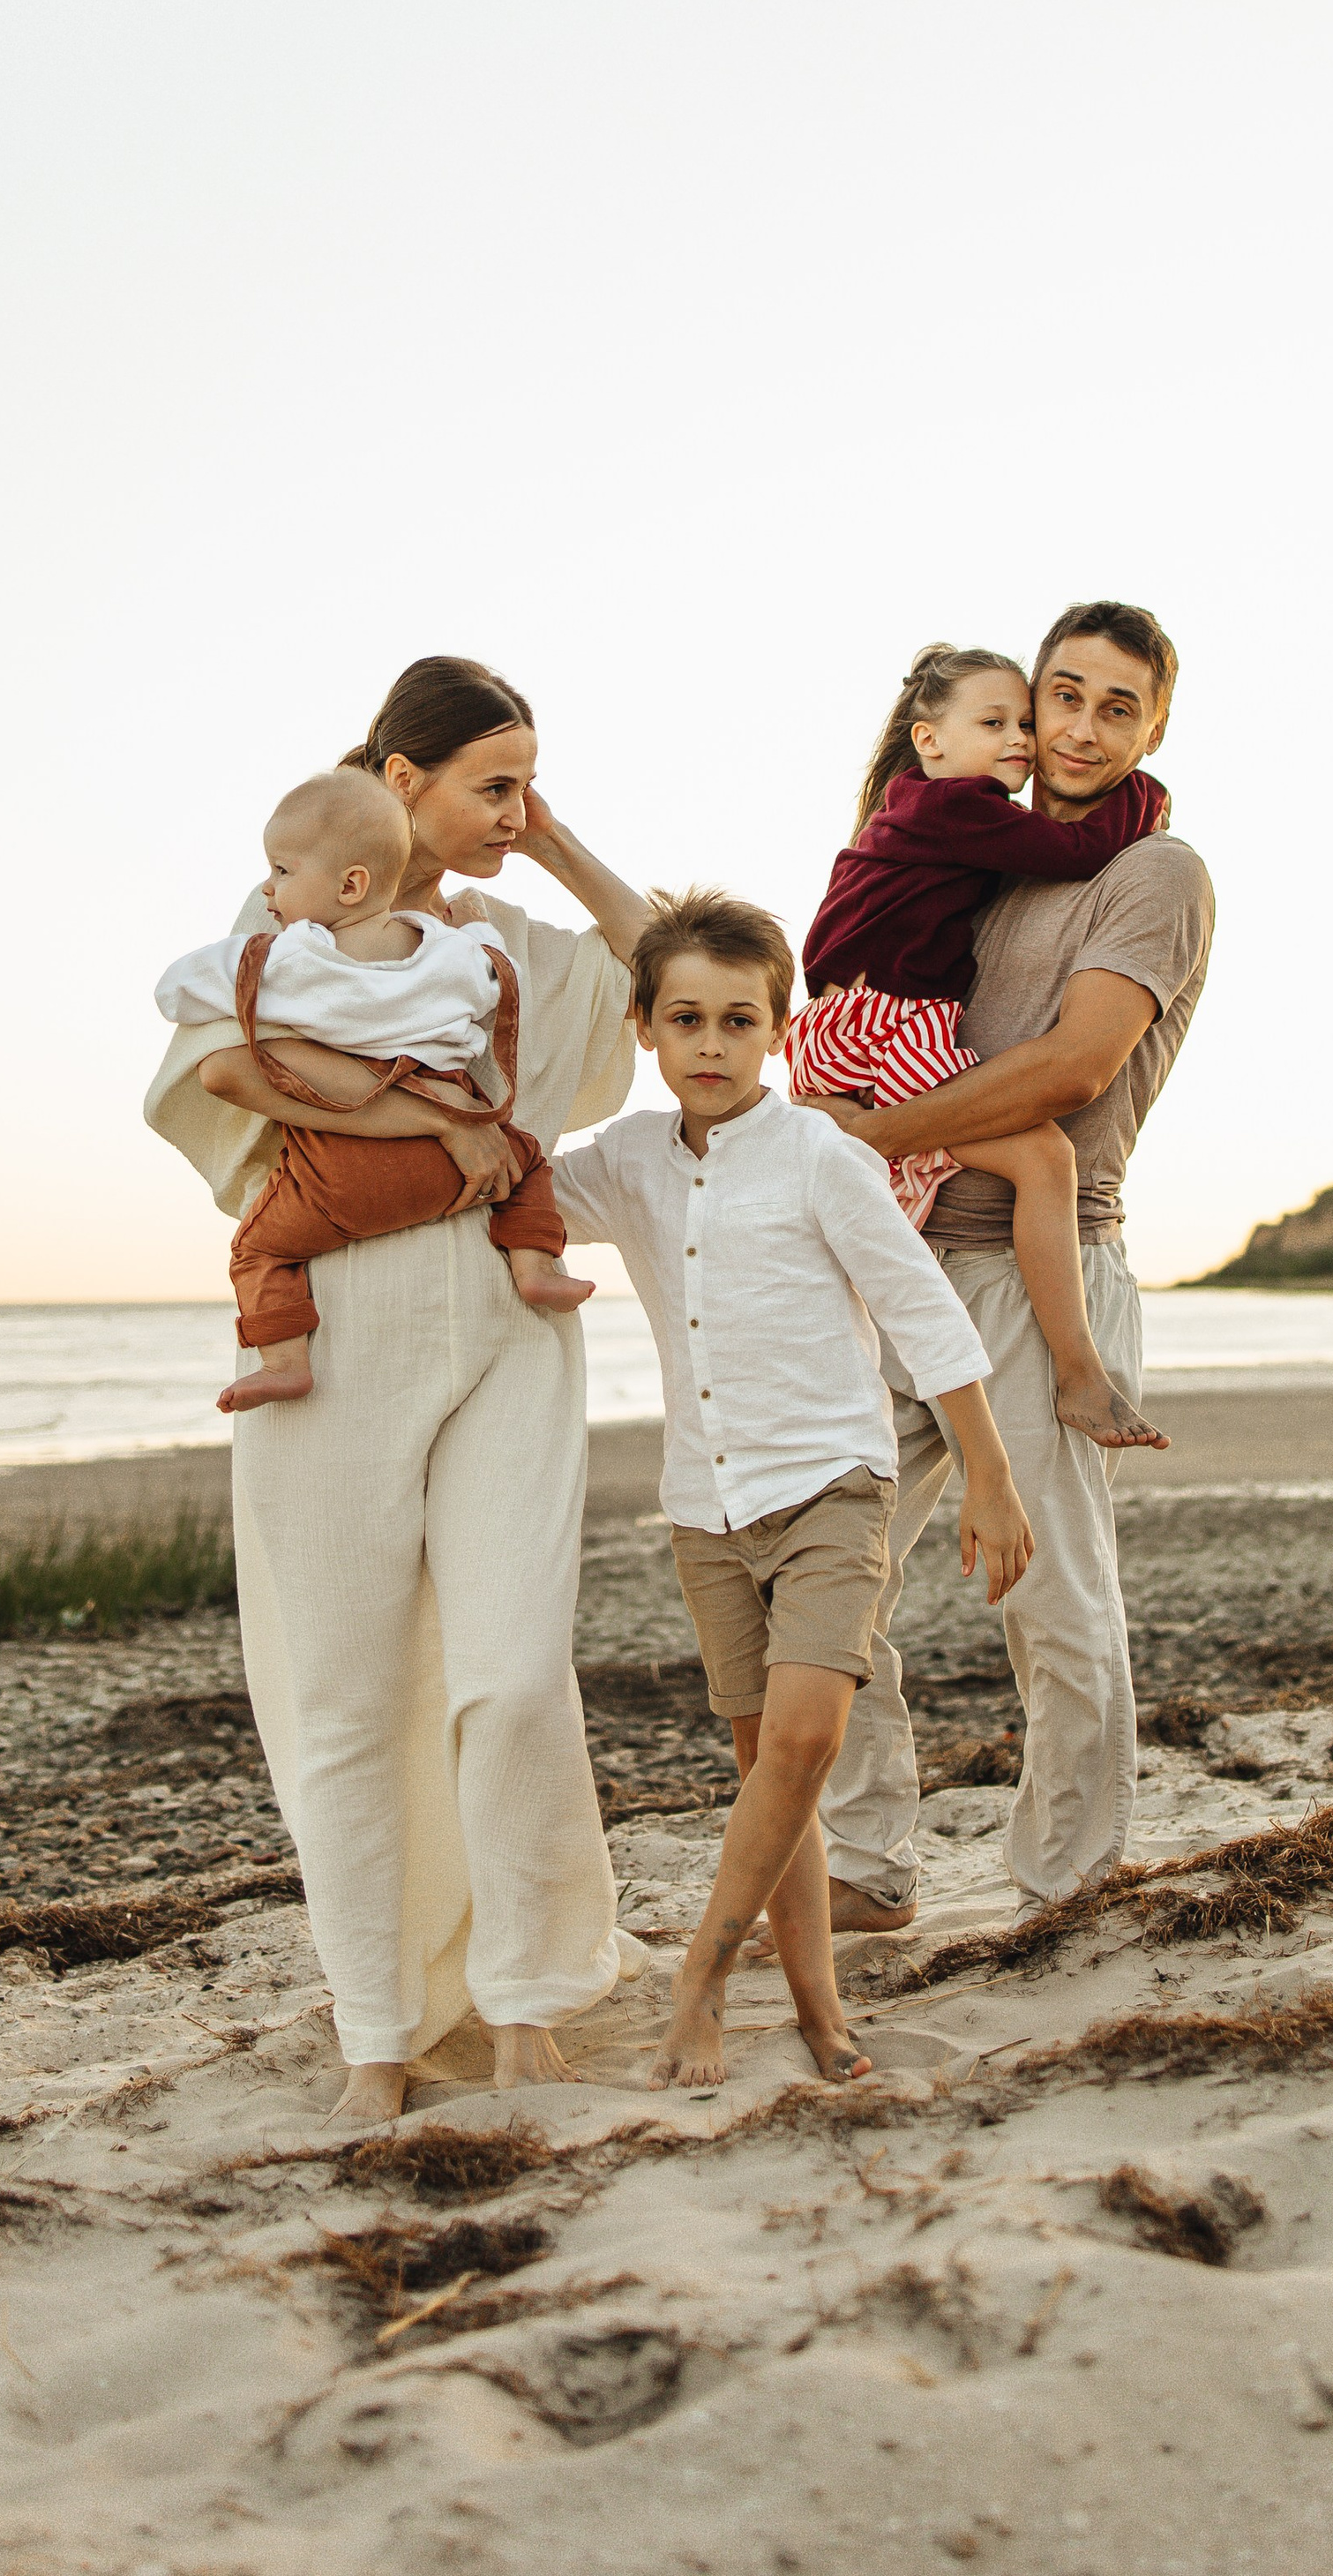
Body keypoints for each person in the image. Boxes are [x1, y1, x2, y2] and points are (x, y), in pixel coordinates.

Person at [145, 654, 647, 2114]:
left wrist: (546, 842)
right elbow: (214, 1075)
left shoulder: (509, 946)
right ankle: (376, 2029)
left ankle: (530, 1997)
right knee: (349, 1694)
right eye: (496, 784)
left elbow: (681, 969)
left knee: (510, 1674)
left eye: (530, 785)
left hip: (508, 1323)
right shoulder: (293, 913)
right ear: (401, 783)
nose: (519, 809)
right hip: (337, 1321)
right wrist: (422, 1116)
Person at [551, 890, 1030, 2089]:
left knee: (809, 1738)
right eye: (686, 1021)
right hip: (704, 1511)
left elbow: (922, 1309)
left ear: (776, 1032)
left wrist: (990, 1478)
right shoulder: (622, 1165)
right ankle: (820, 2014)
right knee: (776, 1768)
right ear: (647, 1032)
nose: (710, 1046)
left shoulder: (821, 1150)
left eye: (736, 1021)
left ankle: (704, 1977)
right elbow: (509, 1191)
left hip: (831, 1485)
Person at [799, 600, 1213, 1928]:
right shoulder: (986, 853)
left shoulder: (1152, 873)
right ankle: (865, 1869)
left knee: (1050, 1596)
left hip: (1037, 1276)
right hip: (904, 1271)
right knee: (827, 1571)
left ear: (1155, 727)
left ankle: (1065, 1883)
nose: (1081, 728)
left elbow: (1074, 1066)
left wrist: (859, 1140)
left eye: (1117, 706)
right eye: (1063, 697)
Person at [789, 641, 1169, 1448]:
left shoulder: (917, 812)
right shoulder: (954, 810)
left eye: (1023, 724)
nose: (1023, 742)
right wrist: (1144, 792)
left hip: (846, 1025)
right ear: (930, 740)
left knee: (892, 1189)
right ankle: (1077, 1372)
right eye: (997, 722)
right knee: (1044, 1160)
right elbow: (1077, 850)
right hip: (881, 1022)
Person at [155, 766, 590, 1412]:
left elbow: (179, 991)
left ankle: (284, 1361)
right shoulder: (445, 953)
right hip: (456, 1161)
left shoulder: (291, 957)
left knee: (258, 1248)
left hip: (338, 1173)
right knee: (527, 1164)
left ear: (350, 884)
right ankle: (533, 1268)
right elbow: (497, 977)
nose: (270, 891)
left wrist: (231, 960)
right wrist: (475, 926)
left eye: (280, 872)